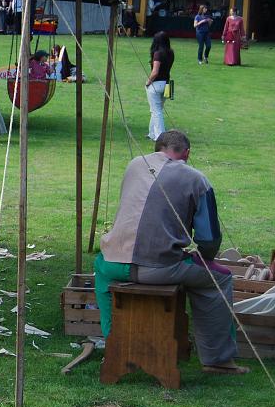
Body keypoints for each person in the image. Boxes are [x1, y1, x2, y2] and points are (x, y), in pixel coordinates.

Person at [94, 130, 246, 375]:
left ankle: (114, 343)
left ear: (157, 147)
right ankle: (217, 360)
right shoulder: (196, 179)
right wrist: (205, 256)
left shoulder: (134, 164)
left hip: (113, 263)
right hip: (160, 267)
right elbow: (208, 240)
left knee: (100, 270)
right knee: (220, 278)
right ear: (186, 153)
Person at [144, 31, 174, 140]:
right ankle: (152, 133)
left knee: (156, 111)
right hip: (167, 84)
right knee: (158, 109)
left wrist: (148, 82)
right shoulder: (171, 52)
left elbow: (155, 72)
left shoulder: (157, 54)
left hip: (157, 84)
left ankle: (160, 137)